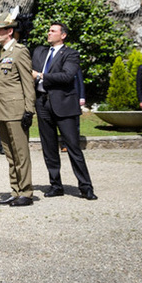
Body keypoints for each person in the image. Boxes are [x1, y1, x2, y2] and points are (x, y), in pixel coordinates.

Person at [31, 23, 97, 200]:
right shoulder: (39, 52)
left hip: (64, 106)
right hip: (43, 104)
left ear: (63, 35)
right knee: (49, 148)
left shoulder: (71, 54)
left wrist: (40, 76)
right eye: (49, 30)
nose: (49, 33)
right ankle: (55, 185)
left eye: (53, 31)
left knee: (74, 148)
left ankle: (86, 186)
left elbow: (67, 76)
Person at [0, 9, 35, 207]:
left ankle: (26, 192)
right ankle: (15, 191)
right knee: (9, 153)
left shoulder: (19, 51)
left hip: (16, 110)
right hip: (0, 110)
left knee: (20, 153)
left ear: (9, 32)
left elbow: (27, 82)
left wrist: (29, 110)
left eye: (1, 30)